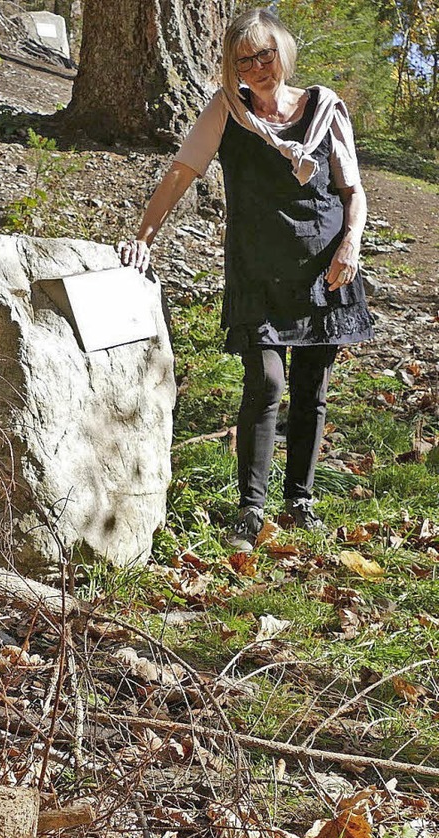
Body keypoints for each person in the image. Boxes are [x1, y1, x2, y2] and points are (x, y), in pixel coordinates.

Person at [119, 6, 373, 551]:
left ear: (283, 52)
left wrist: (351, 243)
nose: (258, 66)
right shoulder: (226, 112)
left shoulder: (324, 109)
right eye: (244, 59)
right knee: (266, 383)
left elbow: (352, 191)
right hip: (257, 269)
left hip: (323, 264)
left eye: (265, 54)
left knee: (311, 387)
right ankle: (251, 510)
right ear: (232, 69)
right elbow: (181, 173)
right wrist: (143, 236)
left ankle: (299, 501)